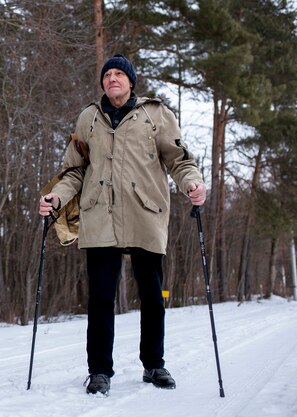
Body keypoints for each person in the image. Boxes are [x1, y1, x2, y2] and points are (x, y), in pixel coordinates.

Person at [39, 54, 207, 396]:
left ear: (131, 81)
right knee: (100, 297)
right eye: (107, 74)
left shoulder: (155, 114)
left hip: (146, 213)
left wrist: (192, 183)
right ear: (102, 82)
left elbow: (178, 159)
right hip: (99, 215)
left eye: (119, 74)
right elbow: (74, 170)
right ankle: (99, 370)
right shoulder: (89, 118)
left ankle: (154, 364)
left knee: (152, 295)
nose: (112, 78)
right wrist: (55, 197)